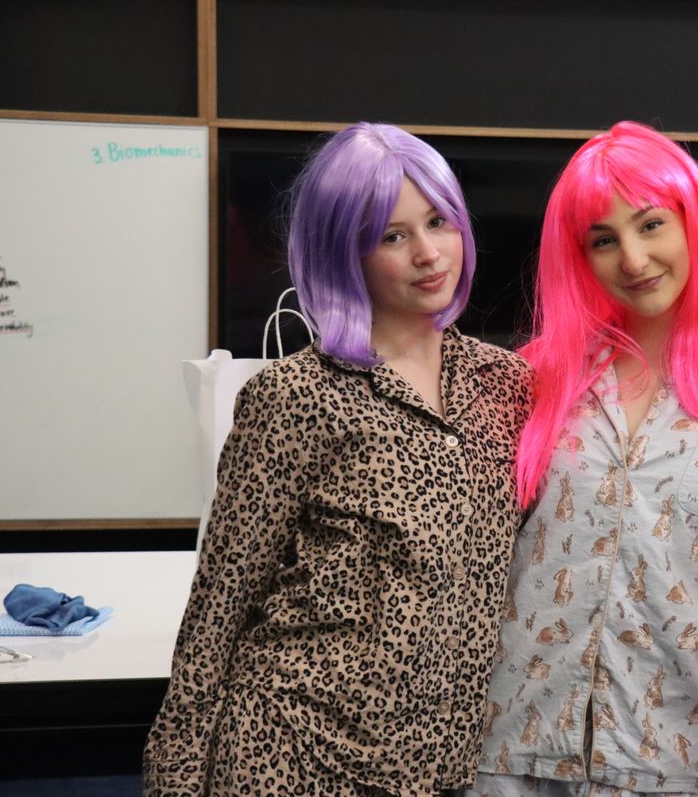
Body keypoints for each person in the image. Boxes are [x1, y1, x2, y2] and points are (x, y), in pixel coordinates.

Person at [143, 123, 533, 797]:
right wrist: (175, 778)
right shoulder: (295, 395)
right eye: (392, 236)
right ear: (343, 252)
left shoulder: (507, 384)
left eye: (438, 221)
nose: (428, 253)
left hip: (437, 769)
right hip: (291, 757)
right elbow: (219, 603)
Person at [466, 121, 698, 797]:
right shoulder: (533, 382)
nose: (634, 258)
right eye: (603, 240)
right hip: (513, 750)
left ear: (692, 223)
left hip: (670, 758)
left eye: (651, 225)